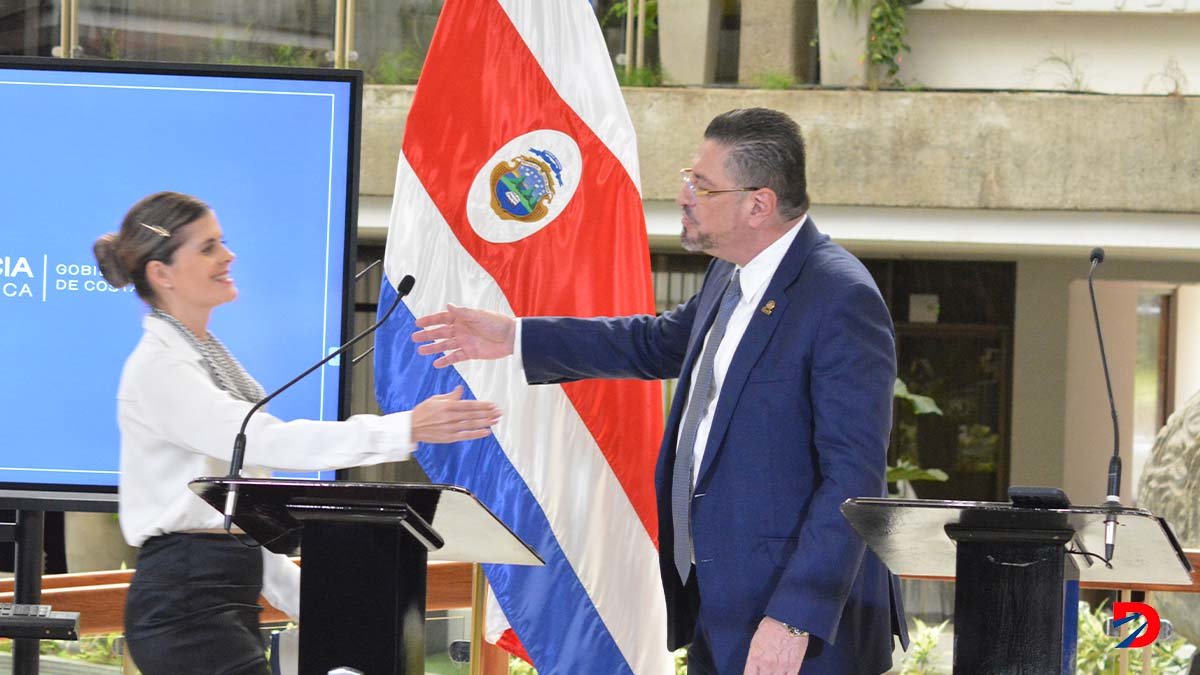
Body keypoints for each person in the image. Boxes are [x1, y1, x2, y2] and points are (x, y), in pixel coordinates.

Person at [411, 108, 908, 674]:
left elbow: (853, 478)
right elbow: (653, 343)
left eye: (702, 184)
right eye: (687, 176)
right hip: (718, 608)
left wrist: (794, 617)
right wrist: (516, 336)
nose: (683, 194)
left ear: (759, 204)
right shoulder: (731, 272)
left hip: (802, 625)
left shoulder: (840, 299)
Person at [94, 191, 501, 675]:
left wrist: (327, 607)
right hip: (185, 608)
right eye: (207, 248)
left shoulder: (204, 353)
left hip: (222, 596)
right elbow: (267, 440)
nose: (228, 256)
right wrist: (406, 427)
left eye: (222, 242)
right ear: (161, 274)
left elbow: (237, 517)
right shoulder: (160, 369)